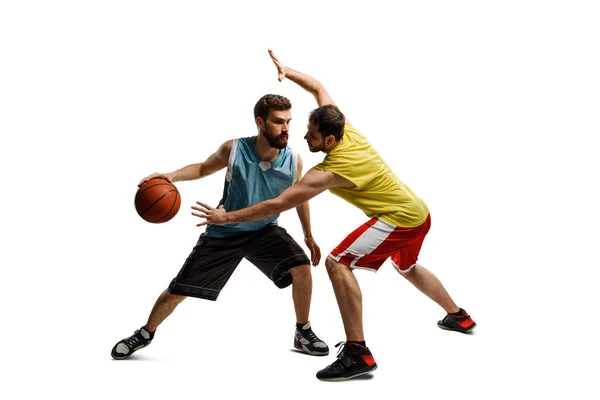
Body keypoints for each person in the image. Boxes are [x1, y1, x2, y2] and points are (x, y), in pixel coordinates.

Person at [192, 50, 477, 381]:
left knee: (337, 262)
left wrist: (226, 218)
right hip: (419, 212)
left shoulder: (328, 171)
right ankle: (459, 317)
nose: (302, 137)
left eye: (310, 136)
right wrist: (288, 71)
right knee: (407, 267)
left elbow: (276, 205)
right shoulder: (346, 129)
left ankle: (358, 352)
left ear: (328, 139)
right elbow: (318, 88)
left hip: (399, 218)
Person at [111, 94, 329, 360]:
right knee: (178, 291)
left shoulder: (293, 161)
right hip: (225, 232)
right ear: (260, 123)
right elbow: (203, 168)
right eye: (278, 122)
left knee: (302, 268)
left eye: (288, 122)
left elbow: (299, 197)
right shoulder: (234, 150)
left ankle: (302, 331)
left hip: (265, 230)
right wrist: (172, 176)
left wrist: (308, 235)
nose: (286, 129)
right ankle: (145, 333)